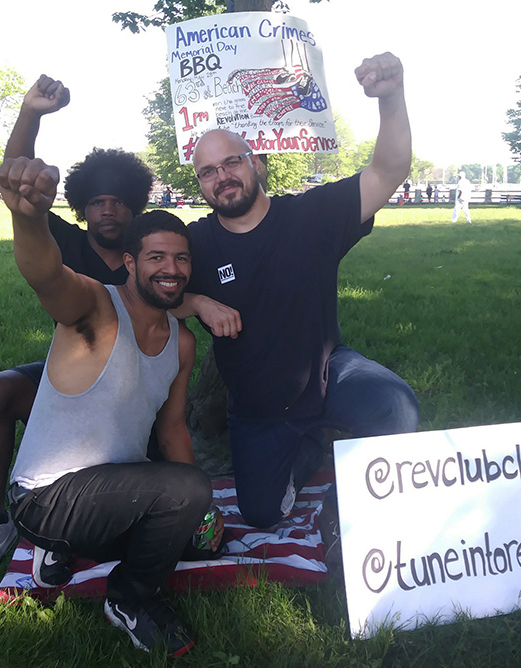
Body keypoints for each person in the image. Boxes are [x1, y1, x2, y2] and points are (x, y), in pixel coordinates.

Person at [178, 52, 420, 532]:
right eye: (208, 171)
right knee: (263, 514)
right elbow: (151, 294)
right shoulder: (196, 243)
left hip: (329, 375)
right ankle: (310, 445)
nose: (222, 176)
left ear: (257, 163)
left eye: (232, 162)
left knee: (396, 406)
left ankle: (342, 515)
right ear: (201, 182)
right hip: (256, 409)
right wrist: (198, 301)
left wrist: (391, 98)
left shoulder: (311, 216)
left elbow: (388, 171)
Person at [0, 155, 220, 655]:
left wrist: (202, 514)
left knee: (194, 531)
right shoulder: (96, 306)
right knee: (183, 489)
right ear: (130, 262)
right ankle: (128, 601)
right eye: (157, 258)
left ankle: (74, 548)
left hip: (110, 491)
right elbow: (46, 274)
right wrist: (29, 217)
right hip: (45, 497)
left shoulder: (181, 342)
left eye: (181, 259)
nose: (171, 270)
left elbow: (172, 432)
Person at [0, 76, 159, 576]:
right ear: (82, 207)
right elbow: (15, 183)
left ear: (134, 205)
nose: (109, 210)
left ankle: (60, 525)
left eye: (119, 201)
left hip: (129, 390)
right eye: (97, 202)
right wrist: (31, 114)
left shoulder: (149, 252)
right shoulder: (68, 244)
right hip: (71, 377)